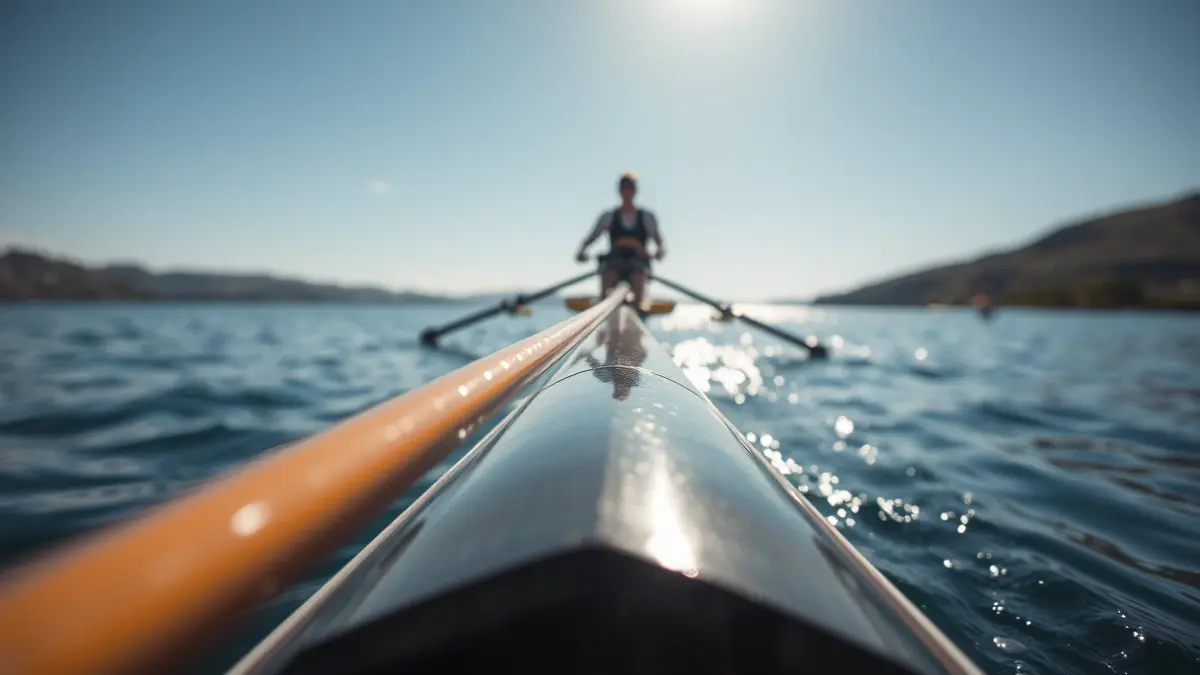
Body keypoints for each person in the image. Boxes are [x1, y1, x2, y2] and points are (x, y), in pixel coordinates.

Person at [575, 172, 665, 308]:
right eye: (624, 187)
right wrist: (582, 251)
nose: (627, 191)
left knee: (638, 278)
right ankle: (605, 307)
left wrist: (658, 253)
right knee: (608, 275)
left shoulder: (647, 217)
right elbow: (591, 238)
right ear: (619, 190)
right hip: (614, 262)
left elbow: (660, 244)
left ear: (635, 191)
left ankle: (637, 307)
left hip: (638, 264)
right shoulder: (608, 216)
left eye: (630, 187)